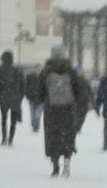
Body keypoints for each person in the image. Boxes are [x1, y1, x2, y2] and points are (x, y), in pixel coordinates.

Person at [36, 48, 88, 177]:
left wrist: (44, 98)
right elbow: (78, 89)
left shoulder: (46, 71)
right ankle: (67, 160)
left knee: (53, 135)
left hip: (51, 109)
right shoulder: (70, 71)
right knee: (67, 135)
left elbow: (40, 90)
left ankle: (55, 165)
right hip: (68, 109)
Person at [0, 51, 24, 145]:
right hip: (15, 98)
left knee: (4, 118)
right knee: (13, 120)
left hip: (4, 97)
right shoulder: (17, 70)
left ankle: (4, 138)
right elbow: (23, 85)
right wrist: (20, 96)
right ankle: (11, 138)